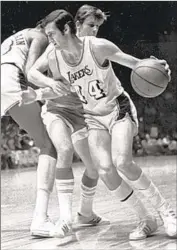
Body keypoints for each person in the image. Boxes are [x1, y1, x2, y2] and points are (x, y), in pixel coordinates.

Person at [23, 9, 176, 240]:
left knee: (122, 162)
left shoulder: (97, 46)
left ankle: (167, 211)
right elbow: (36, 74)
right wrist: (41, 91)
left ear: (66, 29)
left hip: (117, 108)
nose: (50, 39)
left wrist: (160, 67)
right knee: (104, 170)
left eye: (52, 34)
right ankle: (146, 219)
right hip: (92, 117)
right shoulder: (55, 56)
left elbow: (136, 64)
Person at [1, 27, 57, 237]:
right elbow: (29, 70)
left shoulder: (15, 38)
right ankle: (40, 220)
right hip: (10, 80)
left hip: (2, 76)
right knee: (48, 145)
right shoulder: (40, 35)